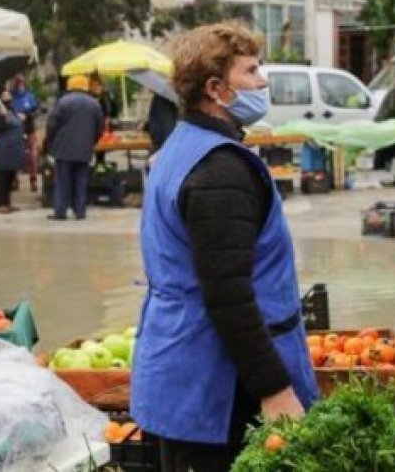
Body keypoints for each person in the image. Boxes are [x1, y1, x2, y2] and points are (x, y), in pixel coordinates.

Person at [131, 23, 318, 472]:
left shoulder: (180, 148)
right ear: (216, 89)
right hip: (215, 387)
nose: (262, 82)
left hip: (179, 365)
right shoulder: (220, 172)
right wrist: (274, 389)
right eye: (251, 72)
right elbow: (229, 296)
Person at [45, 75, 103, 220]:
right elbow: (99, 128)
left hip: (63, 148)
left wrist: (51, 142)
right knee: (81, 180)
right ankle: (80, 211)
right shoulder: (94, 104)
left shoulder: (63, 102)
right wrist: (91, 142)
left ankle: (60, 211)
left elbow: (52, 124)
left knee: (63, 181)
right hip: (84, 149)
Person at [0, 89, 26, 215]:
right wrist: (1, 117)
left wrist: (21, 118)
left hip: (14, 149)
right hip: (3, 149)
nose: (8, 95)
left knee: (10, 177)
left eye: (9, 93)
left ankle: (7, 202)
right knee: (2, 178)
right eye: (5, 94)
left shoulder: (12, 110)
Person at [9, 74, 41, 192]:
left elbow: (37, 110)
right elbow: (7, 112)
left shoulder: (30, 97)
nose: (20, 87)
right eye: (18, 84)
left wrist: (27, 116)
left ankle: (33, 179)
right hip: (15, 130)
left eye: (22, 84)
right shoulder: (11, 98)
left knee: (32, 156)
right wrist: (15, 116)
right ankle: (14, 180)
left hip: (29, 129)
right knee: (16, 155)